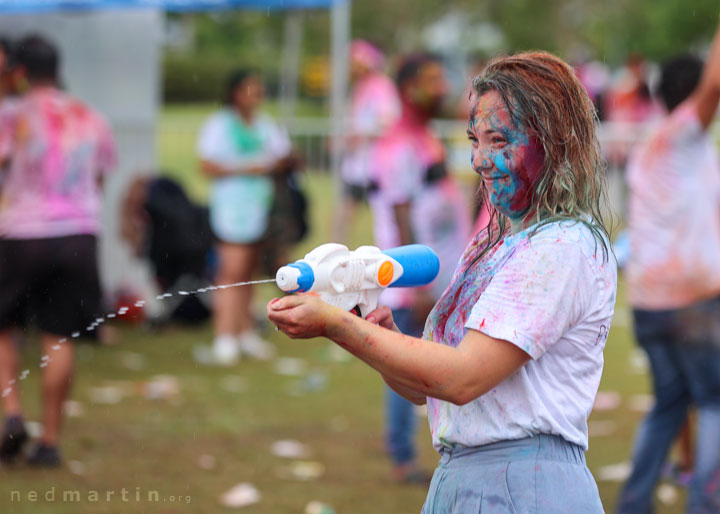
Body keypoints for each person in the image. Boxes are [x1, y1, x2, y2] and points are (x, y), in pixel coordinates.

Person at [269, 50, 616, 513]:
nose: (479, 159)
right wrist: (369, 329)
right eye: (474, 139)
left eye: (498, 139)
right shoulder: (492, 244)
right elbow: (426, 388)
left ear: (554, 139)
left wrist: (336, 325)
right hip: (466, 480)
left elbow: (462, 377)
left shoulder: (563, 246)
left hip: (525, 487)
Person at [616, 18, 720, 514]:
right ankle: (706, 504)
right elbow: (715, 83)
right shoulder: (681, 136)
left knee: (669, 406)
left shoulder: (657, 146)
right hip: (692, 302)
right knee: (715, 404)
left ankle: (635, 503)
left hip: (649, 302)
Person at [0, 35, 116, 467]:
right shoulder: (90, 116)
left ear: (19, 71)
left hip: (21, 233)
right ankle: (49, 440)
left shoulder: (11, 115)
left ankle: (13, 413)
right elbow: (101, 178)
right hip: (78, 235)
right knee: (59, 335)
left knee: (5, 326)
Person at [368, 53, 469, 483]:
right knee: (405, 359)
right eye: (432, 79)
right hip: (415, 281)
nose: (442, 85)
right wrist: (416, 276)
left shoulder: (423, 134)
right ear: (409, 87)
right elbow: (400, 210)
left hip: (439, 274)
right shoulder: (397, 144)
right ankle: (403, 455)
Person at [197, 69, 295, 365]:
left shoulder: (266, 124)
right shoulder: (219, 124)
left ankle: (244, 331)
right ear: (235, 92)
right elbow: (206, 164)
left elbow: (283, 156)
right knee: (231, 272)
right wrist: (247, 168)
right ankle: (224, 335)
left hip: (261, 208)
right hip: (232, 211)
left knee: (249, 273)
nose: (255, 95)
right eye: (250, 89)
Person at [333, 40, 400, 243]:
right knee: (345, 210)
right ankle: (334, 252)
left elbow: (387, 122)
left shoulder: (381, 87)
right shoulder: (361, 87)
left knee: (383, 215)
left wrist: (359, 134)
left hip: (377, 163)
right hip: (358, 162)